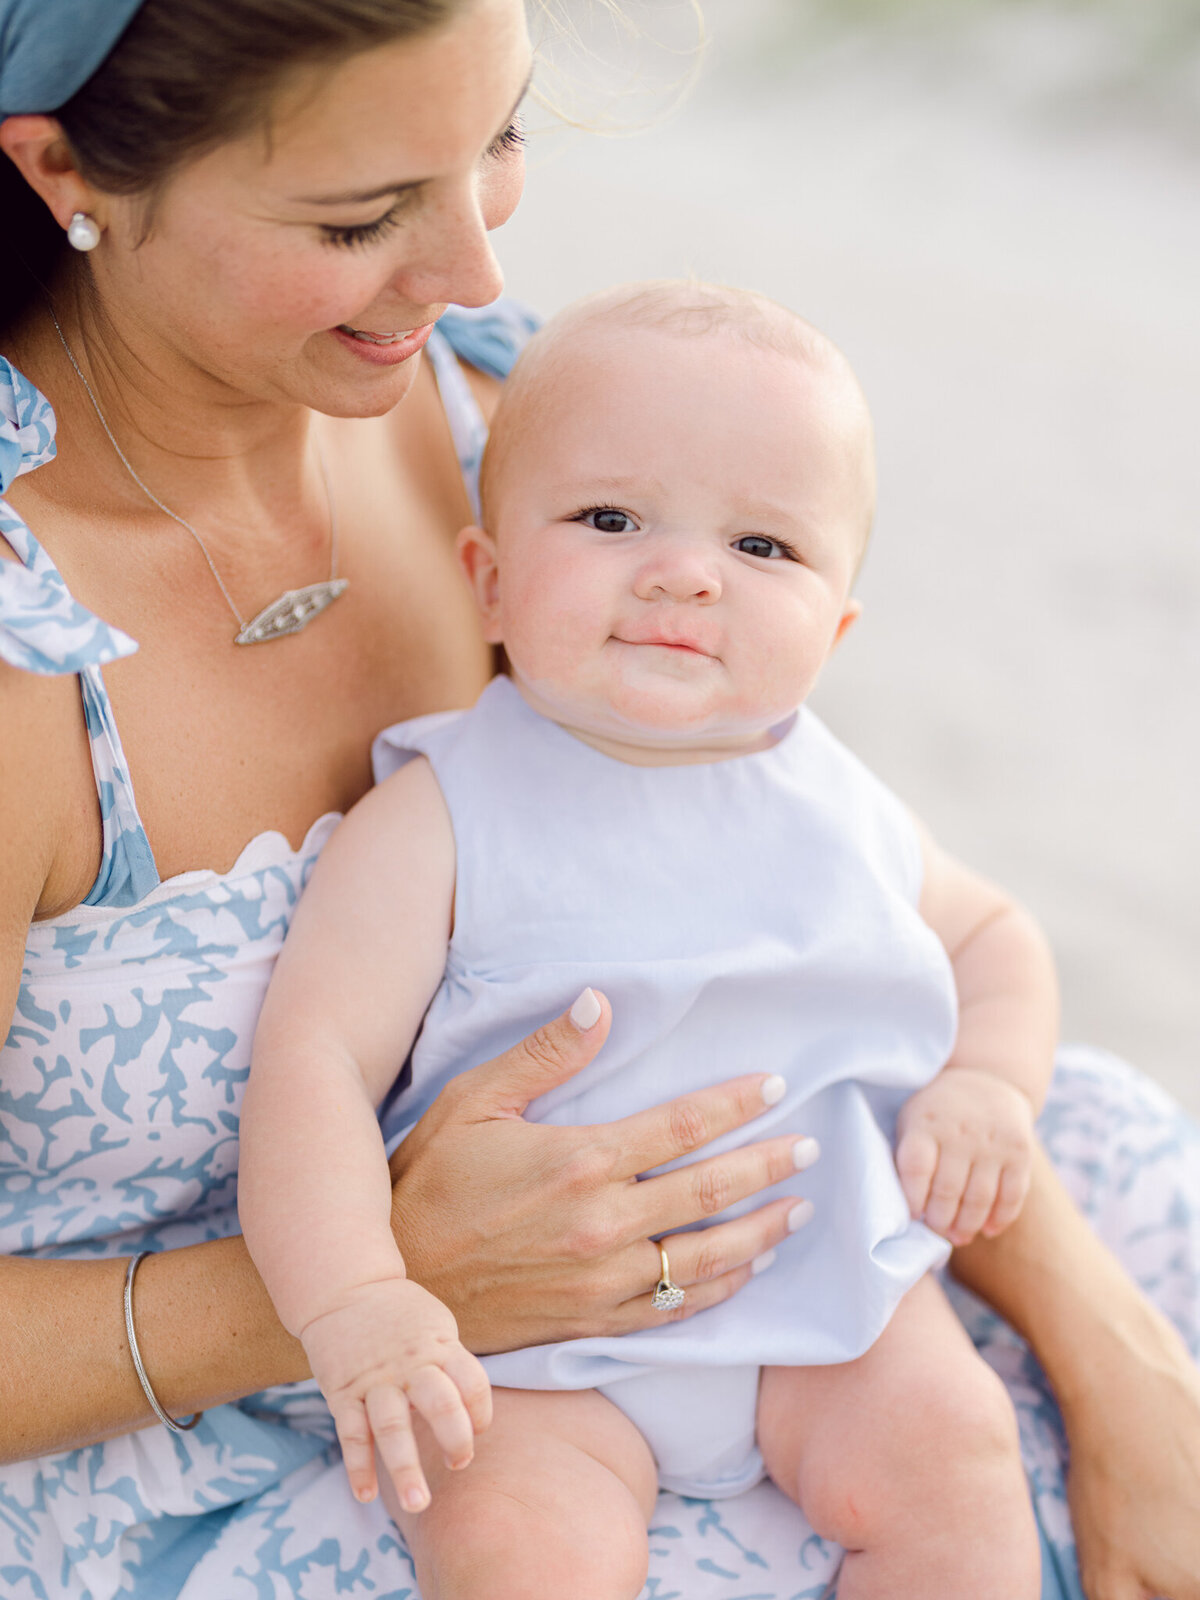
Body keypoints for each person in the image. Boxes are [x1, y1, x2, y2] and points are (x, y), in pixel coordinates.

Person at [0, 3, 1196, 1598]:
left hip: (797, 1257)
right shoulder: (31, 665)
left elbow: (834, 923)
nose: (477, 275)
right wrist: (373, 1286)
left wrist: (1105, 1351)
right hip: (310, 1399)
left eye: (499, 138)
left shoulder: (503, 406)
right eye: (362, 217)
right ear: (59, 164)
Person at [241, 281, 1059, 1600]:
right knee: (517, 1551)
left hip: (824, 1296)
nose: (685, 570)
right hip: (538, 1344)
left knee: (958, 1465)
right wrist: (357, 1301)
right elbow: (314, 1065)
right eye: (611, 519)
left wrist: (987, 1087)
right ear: (490, 583)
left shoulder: (838, 801)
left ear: (837, 628)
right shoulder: (443, 809)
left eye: (765, 548)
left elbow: (995, 937)